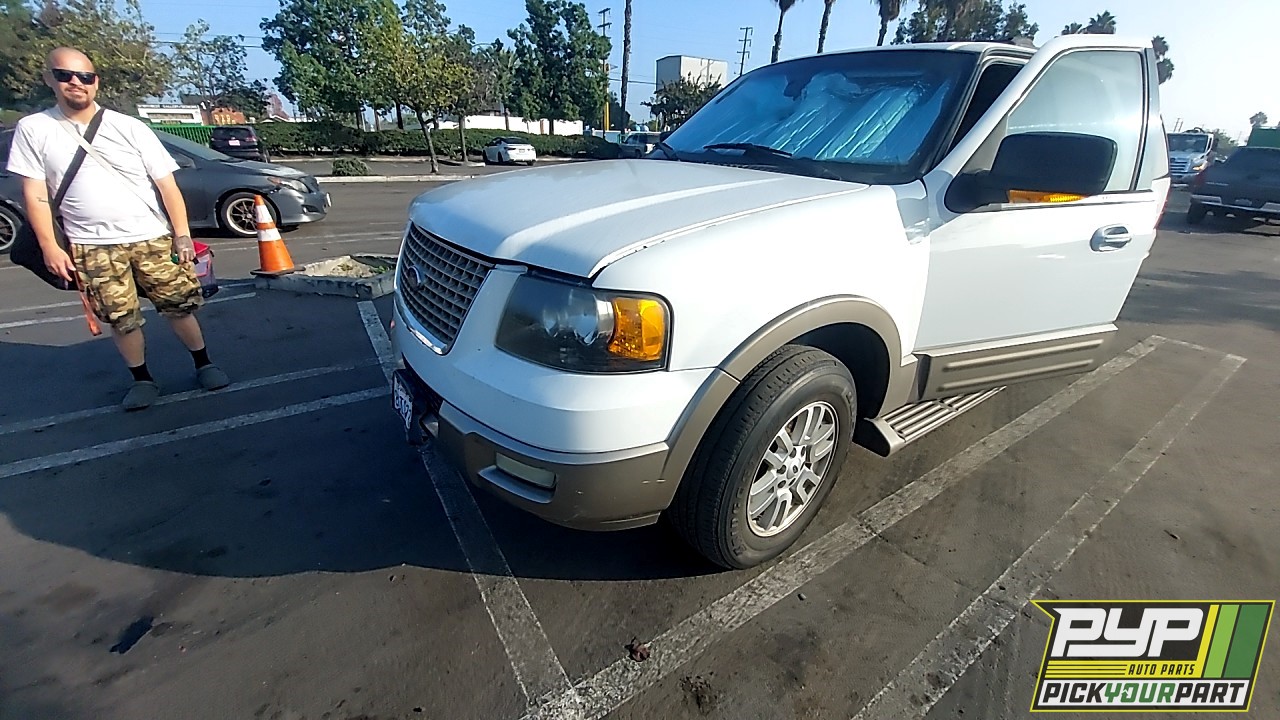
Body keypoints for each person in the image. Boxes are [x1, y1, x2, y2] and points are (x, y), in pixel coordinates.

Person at [6, 47, 230, 410]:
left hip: (150, 237)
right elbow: (36, 195)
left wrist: (182, 234)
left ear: (96, 82)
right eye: (65, 75)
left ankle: (204, 363)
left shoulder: (129, 127)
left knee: (179, 305)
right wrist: (49, 246)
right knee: (120, 318)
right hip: (92, 246)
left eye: (85, 77)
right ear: (49, 79)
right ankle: (142, 380)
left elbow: (167, 186)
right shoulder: (35, 129)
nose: (76, 83)